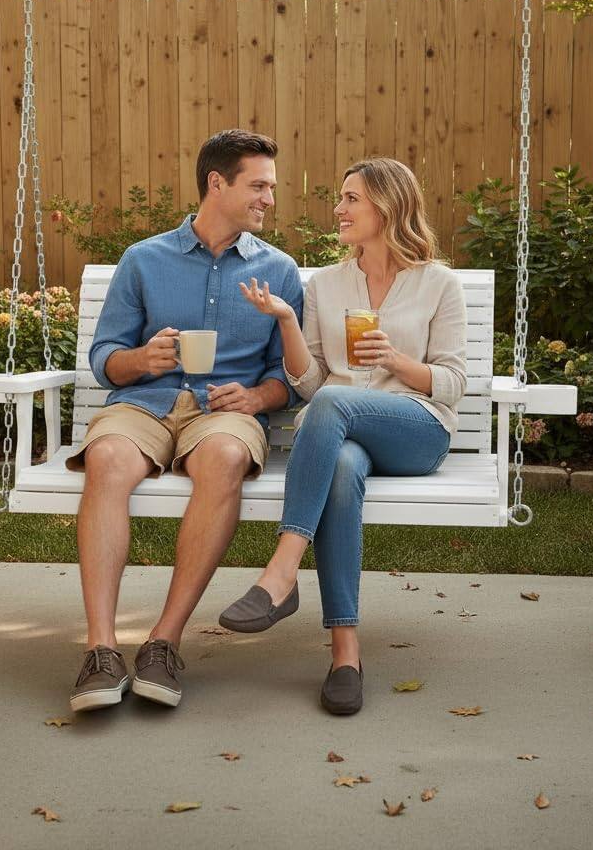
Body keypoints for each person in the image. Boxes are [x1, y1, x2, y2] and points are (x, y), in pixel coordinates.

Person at [218, 157, 467, 715]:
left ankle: (282, 571)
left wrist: (399, 361)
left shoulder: (438, 283)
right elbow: (309, 383)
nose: (339, 209)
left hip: (415, 427)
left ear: (389, 205)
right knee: (341, 468)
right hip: (342, 431)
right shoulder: (326, 285)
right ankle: (345, 654)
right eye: (341, 198)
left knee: (335, 402)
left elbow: (451, 384)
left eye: (351, 199)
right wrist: (286, 319)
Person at [66, 129, 303, 712]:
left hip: (223, 413)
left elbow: (290, 379)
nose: (269, 198)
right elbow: (105, 360)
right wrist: (141, 359)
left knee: (223, 459)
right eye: (259, 185)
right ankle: (100, 650)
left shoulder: (280, 270)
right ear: (216, 184)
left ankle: (163, 643)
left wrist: (257, 398)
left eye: (271, 187)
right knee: (107, 457)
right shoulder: (144, 259)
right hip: (145, 403)